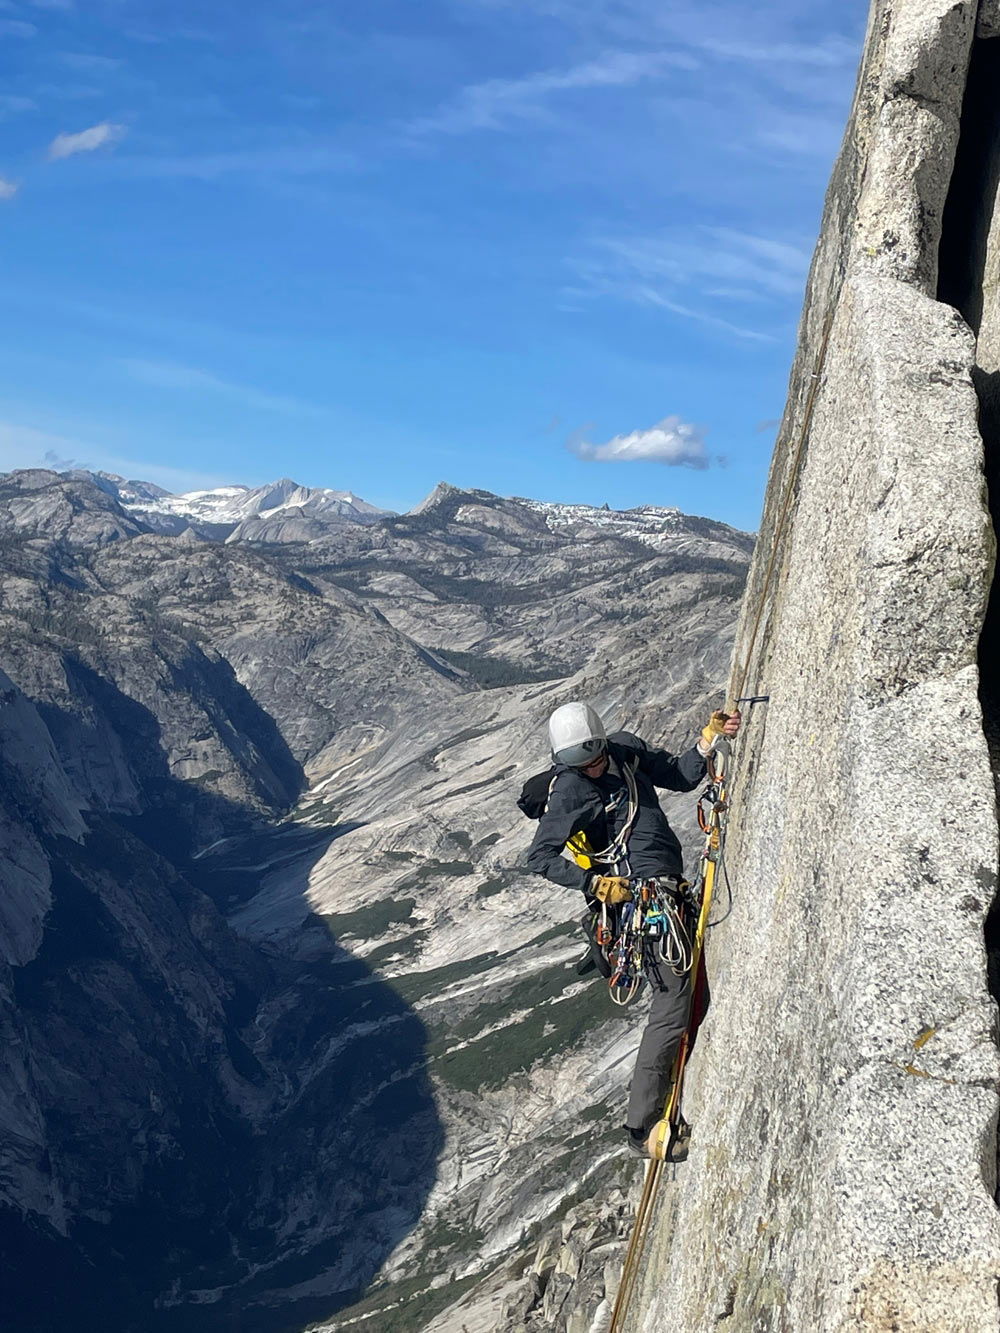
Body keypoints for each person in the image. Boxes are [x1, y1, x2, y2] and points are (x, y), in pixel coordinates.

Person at [524, 700, 741, 1158]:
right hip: (641, 906)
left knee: (684, 999)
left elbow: (681, 777)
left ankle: (662, 1106)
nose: (592, 768)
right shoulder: (569, 791)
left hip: (666, 890)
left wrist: (707, 740)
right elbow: (539, 856)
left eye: (595, 758)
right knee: (671, 1005)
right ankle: (642, 1130)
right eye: (581, 764)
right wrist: (594, 883)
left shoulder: (627, 751)